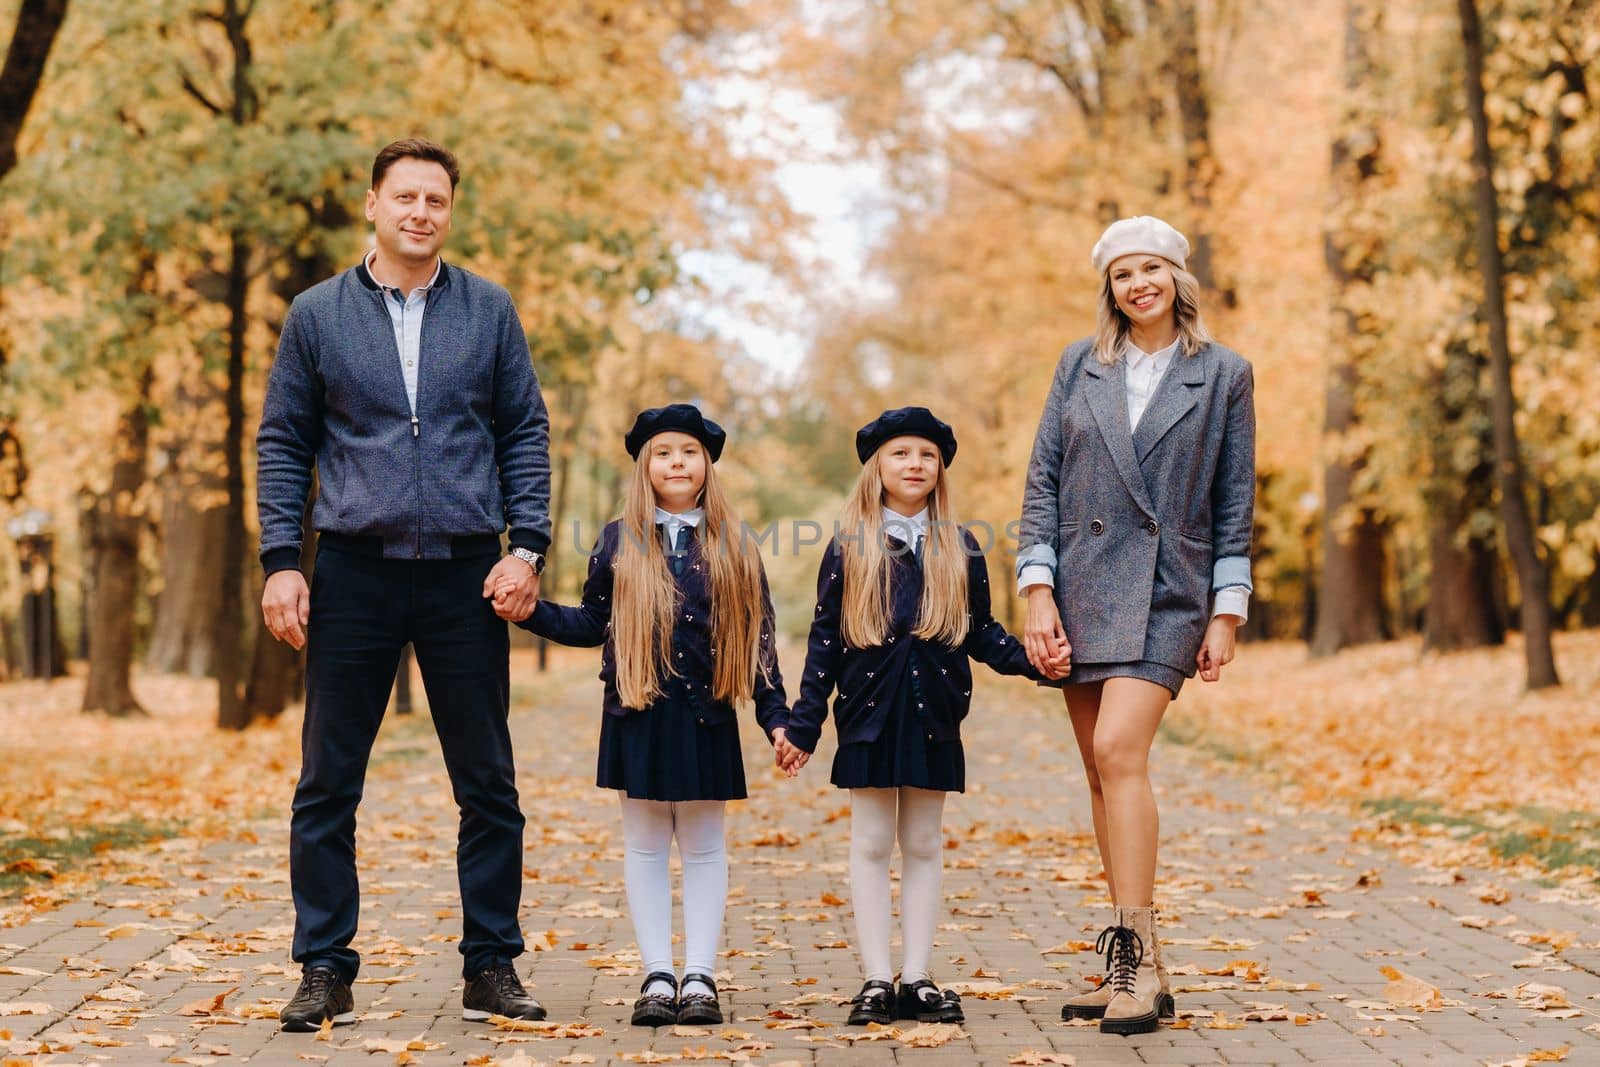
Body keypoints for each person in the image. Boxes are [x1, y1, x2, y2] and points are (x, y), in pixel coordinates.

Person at [257, 139, 552, 1032]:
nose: (421, 212)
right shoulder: (316, 314)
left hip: (467, 571)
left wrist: (527, 547)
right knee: (326, 782)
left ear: (449, 212)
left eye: (437, 199)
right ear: (373, 206)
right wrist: (281, 559)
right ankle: (324, 964)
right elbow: (283, 441)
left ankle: (490, 962)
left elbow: (525, 432)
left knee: (489, 783)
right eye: (406, 197)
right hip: (353, 570)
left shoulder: (489, 309)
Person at [1016, 216, 1255, 1036]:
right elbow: (1042, 480)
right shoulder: (1078, 365)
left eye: (1151, 268)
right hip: (1080, 589)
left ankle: (1137, 959)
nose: (1137, 284)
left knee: (1121, 749)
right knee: (1097, 771)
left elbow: (1234, 501)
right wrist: (1037, 590)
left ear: (1178, 278)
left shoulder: (1224, 374)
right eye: (1123, 274)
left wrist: (1227, 611)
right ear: (1109, 289)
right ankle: (1135, 964)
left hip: (1167, 592)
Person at [502, 404, 788, 1028]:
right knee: (647, 845)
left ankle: (701, 977)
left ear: (707, 464)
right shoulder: (617, 539)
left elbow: (760, 640)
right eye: (663, 453)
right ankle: (658, 975)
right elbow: (590, 623)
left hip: (708, 713)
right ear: (645, 466)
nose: (677, 462)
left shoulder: (736, 544)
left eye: (689, 451)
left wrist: (778, 720)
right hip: (638, 709)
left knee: (706, 846)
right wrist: (529, 613)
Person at [774, 407, 1056, 1027]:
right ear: (877, 466)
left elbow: (982, 633)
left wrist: (1039, 662)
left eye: (926, 455)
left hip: (935, 714)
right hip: (868, 715)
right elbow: (825, 642)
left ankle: (919, 977)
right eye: (901, 454)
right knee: (872, 842)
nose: (914, 464)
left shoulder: (961, 546)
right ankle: (877, 978)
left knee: (924, 844)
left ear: (939, 470)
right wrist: (803, 725)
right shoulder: (849, 547)